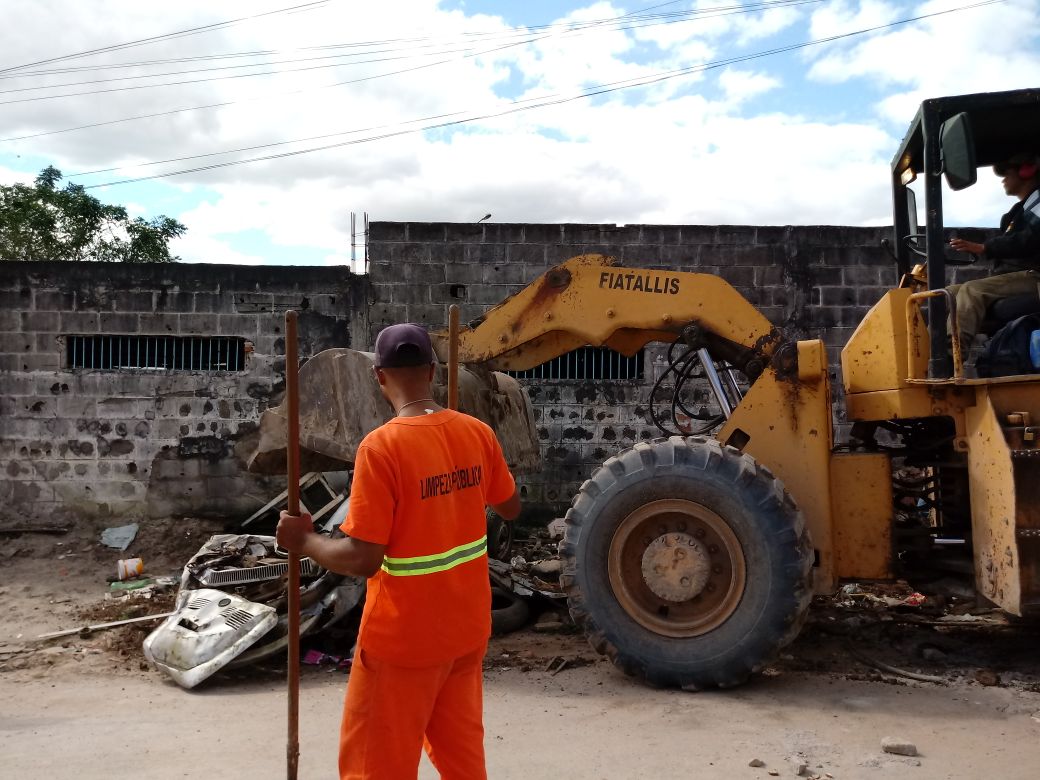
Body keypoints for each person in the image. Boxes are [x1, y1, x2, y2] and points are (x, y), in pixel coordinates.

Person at [276, 323, 521, 780]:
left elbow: (363, 558)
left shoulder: (381, 448)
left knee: (375, 766)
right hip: (465, 630)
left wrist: (304, 541)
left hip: (404, 641)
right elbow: (509, 506)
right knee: (463, 759)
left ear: (379, 376)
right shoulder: (478, 434)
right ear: (432, 370)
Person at [947, 152, 1040, 353]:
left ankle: (951, 356)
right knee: (947, 295)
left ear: (1027, 171)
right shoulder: (1018, 212)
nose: (1003, 180)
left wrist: (985, 247)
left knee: (972, 290)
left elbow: (1032, 238)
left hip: (1035, 276)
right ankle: (930, 354)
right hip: (1018, 277)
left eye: (1006, 173)